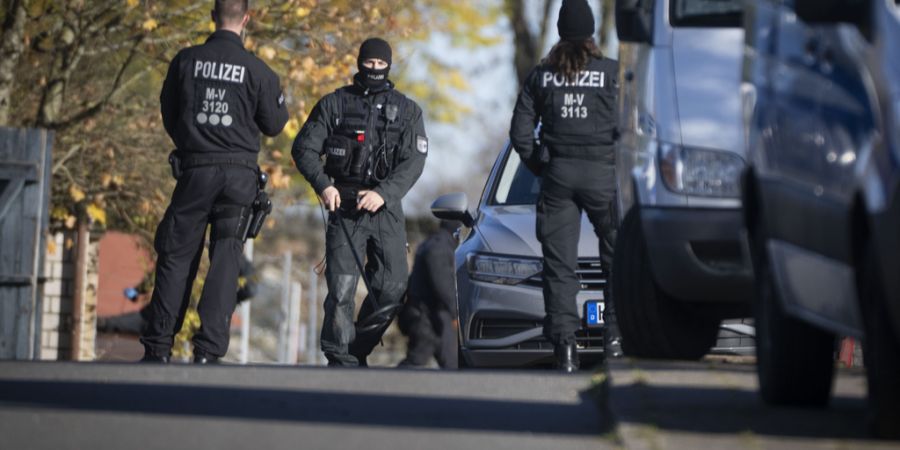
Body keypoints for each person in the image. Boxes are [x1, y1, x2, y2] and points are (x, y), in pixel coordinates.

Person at [140, 0, 288, 364]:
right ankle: (207, 350)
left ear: (212, 17)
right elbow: (274, 123)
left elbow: (169, 113)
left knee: (176, 256)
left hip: (195, 172)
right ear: (246, 20)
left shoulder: (185, 61)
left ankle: (159, 347)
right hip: (238, 178)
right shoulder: (258, 71)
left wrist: (192, 145)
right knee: (226, 258)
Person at [292, 37, 428, 367]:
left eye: (381, 65)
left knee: (393, 287)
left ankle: (356, 348)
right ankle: (340, 358)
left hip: (386, 207)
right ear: (359, 63)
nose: (375, 70)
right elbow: (304, 149)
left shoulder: (409, 111)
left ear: (389, 66)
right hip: (344, 205)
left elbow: (414, 162)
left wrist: (384, 193)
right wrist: (324, 186)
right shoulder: (334, 104)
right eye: (370, 64)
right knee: (341, 289)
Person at [509, 0, 621, 372]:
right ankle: (615, 340)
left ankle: (566, 348)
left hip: (558, 176)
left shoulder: (542, 75)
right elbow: (632, 124)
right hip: (603, 175)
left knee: (560, 267)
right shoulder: (611, 73)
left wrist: (540, 164)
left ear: (560, 32)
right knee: (616, 258)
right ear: (590, 33)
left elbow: (520, 133)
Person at [398, 220, 460, 369]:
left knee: (450, 362)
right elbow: (443, 285)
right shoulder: (439, 248)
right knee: (418, 358)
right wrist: (456, 313)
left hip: (427, 314)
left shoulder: (431, 243)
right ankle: (383, 385)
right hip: (428, 316)